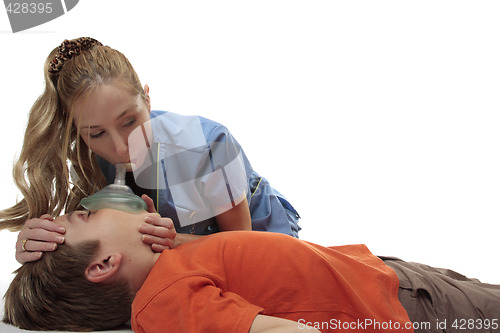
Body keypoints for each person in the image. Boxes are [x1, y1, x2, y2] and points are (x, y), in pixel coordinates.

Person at [0, 37, 300, 263]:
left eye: (130, 121)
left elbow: (240, 249)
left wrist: (175, 241)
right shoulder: (85, 157)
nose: (120, 148)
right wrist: (36, 244)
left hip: (259, 240)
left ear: (147, 98)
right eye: (97, 133)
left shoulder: (208, 146)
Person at [4, 208, 499, 332]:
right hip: (402, 309)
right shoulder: (164, 303)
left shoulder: (171, 264)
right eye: (86, 216)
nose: (93, 205)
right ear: (106, 264)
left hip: (383, 275)